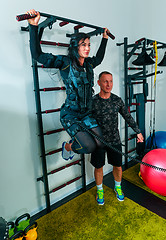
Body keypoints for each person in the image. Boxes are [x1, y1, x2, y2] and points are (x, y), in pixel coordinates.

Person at [26, 9, 110, 160]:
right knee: (89, 146)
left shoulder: (89, 64)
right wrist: (33, 26)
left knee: (100, 143)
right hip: (70, 115)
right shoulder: (65, 63)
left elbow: (99, 58)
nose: (87, 48)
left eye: (89, 45)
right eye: (83, 45)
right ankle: (68, 146)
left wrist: (104, 38)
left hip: (86, 114)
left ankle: (79, 141)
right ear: (75, 47)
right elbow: (37, 55)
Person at [91, 71, 144, 205]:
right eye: (105, 81)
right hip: (98, 141)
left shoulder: (116, 100)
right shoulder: (93, 101)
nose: (108, 84)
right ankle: (100, 190)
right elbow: (84, 120)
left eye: (111, 81)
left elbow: (127, 116)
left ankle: (118, 187)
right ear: (99, 83)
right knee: (98, 167)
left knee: (118, 166)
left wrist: (137, 131)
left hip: (114, 139)